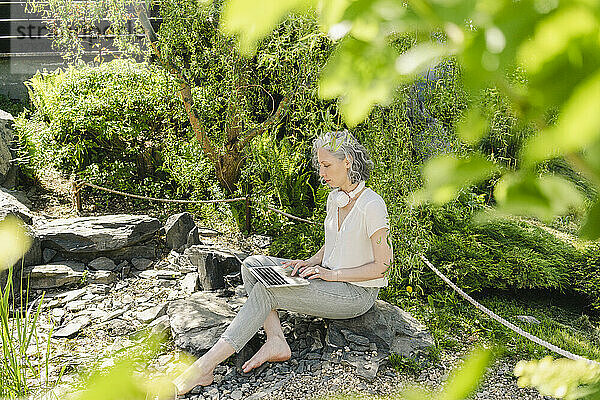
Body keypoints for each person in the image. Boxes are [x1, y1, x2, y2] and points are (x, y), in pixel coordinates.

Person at [172, 130, 393, 394]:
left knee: (268, 290)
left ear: (347, 161)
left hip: (355, 293)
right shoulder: (335, 197)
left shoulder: (372, 205)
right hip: (327, 276)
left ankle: (204, 367)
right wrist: (309, 262)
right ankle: (276, 340)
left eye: (326, 166)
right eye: (320, 166)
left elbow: (383, 265)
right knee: (253, 266)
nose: (321, 173)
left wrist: (330, 275)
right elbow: (336, 241)